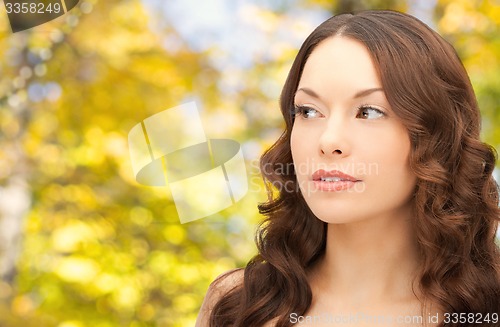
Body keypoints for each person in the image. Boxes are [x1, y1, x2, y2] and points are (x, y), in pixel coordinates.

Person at [195, 9, 500, 327]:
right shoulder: (237, 305)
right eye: (309, 111)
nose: (328, 141)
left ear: (438, 135)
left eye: (368, 112)